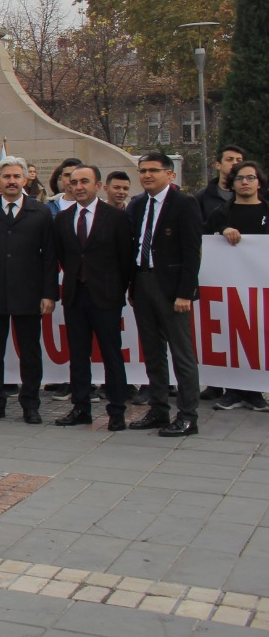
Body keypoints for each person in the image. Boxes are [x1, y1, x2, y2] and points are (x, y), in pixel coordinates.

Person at [0, 156, 56, 424]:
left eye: (16, 176)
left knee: (30, 351)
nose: (12, 181)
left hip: (29, 293)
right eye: (6, 177)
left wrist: (48, 294)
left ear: (25, 180)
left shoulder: (40, 212)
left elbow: (49, 257)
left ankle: (30, 404)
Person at [126, 152, 205, 437]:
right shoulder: (137, 205)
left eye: (153, 170)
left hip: (171, 289)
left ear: (170, 174)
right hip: (142, 283)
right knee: (153, 352)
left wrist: (186, 292)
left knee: (182, 354)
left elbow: (192, 252)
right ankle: (159, 409)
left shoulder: (184, 204)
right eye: (143, 170)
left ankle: (187, 416)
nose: (147, 175)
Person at [55, 165, 137, 429]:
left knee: (112, 355)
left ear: (98, 186)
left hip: (106, 297)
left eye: (85, 182)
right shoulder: (63, 219)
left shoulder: (115, 218)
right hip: (75, 297)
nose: (78, 186)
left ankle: (116, 411)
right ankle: (81, 408)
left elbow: (126, 259)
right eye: (74, 181)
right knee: (78, 355)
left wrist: (117, 288)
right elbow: (62, 256)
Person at [205, 161, 268, 411]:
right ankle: (231, 391)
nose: (245, 182)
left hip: (260, 287)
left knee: (258, 336)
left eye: (250, 178)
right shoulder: (221, 214)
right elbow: (203, 237)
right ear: (232, 184)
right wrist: (223, 229)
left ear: (258, 183)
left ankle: (254, 392)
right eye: (240, 178)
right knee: (231, 335)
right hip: (228, 287)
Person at [196, 144, 244, 221]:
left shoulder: (250, 195)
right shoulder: (203, 196)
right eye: (229, 159)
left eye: (239, 160)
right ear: (218, 165)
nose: (235, 163)